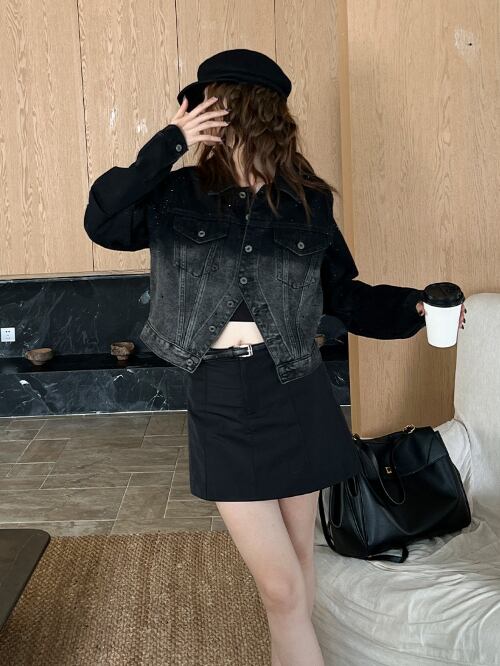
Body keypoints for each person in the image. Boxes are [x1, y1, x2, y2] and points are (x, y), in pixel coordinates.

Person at [84, 49, 465, 666]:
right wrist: (169, 142)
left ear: (242, 109)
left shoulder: (305, 202)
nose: (199, 114)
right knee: (282, 587)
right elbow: (102, 217)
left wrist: (416, 308)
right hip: (221, 397)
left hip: (296, 387)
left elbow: (344, 296)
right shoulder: (175, 193)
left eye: (209, 103)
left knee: (298, 571)